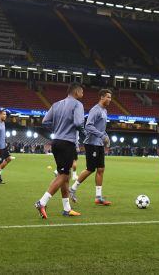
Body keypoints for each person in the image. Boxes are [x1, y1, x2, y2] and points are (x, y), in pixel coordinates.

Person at [35, 83, 85, 219]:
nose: (83, 95)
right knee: (63, 175)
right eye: (82, 92)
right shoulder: (77, 105)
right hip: (67, 143)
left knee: (66, 175)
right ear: (76, 92)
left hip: (56, 142)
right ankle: (42, 202)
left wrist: (57, 129)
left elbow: (45, 121)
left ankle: (67, 208)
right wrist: (84, 132)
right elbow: (78, 123)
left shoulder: (56, 104)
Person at [70, 89, 113, 206]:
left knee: (101, 169)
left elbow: (102, 129)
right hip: (91, 143)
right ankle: (72, 189)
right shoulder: (95, 110)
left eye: (110, 97)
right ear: (102, 97)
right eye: (108, 97)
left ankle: (98, 197)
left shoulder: (105, 111)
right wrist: (101, 135)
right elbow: (88, 126)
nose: (110, 99)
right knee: (90, 169)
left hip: (98, 144)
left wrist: (106, 138)